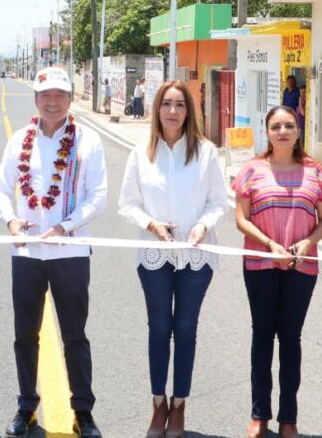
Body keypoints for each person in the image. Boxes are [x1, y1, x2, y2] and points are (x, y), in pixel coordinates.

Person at [0, 67, 108, 438]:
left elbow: (98, 196)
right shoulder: (20, 141)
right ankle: (26, 406)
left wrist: (67, 225)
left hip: (70, 252)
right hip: (27, 253)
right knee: (25, 333)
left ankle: (83, 412)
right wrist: (11, 221)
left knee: (75, 335)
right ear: (36, 100)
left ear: (70, 100)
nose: (53, 102)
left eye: (60, 95)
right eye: (46, 96)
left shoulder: (87, 141)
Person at [118, 80, 227, 438]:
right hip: (154, 255)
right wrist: (151, 224)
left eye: (180, 105)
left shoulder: (207, 153)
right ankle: (157, 404)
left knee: (186, 330)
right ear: (156, 109)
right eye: (167, 104)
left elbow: (218, 203)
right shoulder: (141, 153)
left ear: (189, 111)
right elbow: (128, 203)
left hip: (197, 256)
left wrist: (201, 226)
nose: (173, 111)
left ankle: (179, 404)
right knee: (159, 328)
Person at [231, 105, 322, 438]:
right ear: (268, 131)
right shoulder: (251, 170)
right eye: (276, 126)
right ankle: (259, 414)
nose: (283, 132)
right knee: (262, 336)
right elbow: (241, 219)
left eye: (289, 125)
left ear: (298, 130)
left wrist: (307, 243)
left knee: (290, 339)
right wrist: (269, 244)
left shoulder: (315, 172)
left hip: (302, 266)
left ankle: (288, 417)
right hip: (260, 264)